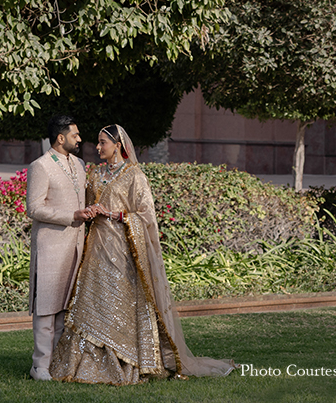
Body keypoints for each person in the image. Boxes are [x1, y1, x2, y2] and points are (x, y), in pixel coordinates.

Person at [50, 124, 235, 384]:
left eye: (103, 142)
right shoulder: (94, 173)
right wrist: (91, 211)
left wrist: (118, 215)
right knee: (92, 301)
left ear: (118, 145)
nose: (99, 147)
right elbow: (86, 204)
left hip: (123, 248)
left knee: (119, 302)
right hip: (96, 247)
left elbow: (147, 215)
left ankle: (126, 362)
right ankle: (84, 365)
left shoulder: (134, 175)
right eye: (98, 142)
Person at [25, 115, 96, 381]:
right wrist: (71, 216)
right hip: (51, 246)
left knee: (64, 309)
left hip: (76, 246)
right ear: (60, 138)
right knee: (46, 309)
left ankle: (56, 363)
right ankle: (39, 366)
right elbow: (34, 208)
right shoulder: (40, 166)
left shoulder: (78, 163)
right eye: (75, 135)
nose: (79, 139)